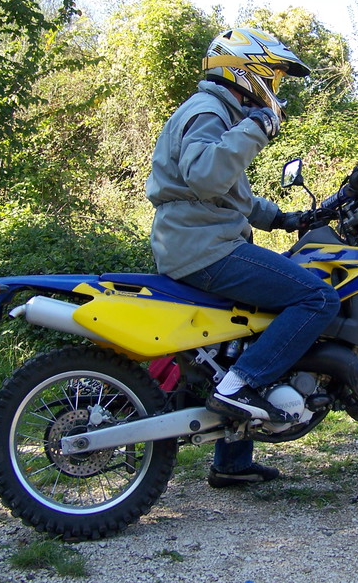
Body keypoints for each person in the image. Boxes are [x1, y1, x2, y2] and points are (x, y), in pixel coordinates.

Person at [145, 28, 341, 488]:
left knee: (248, 334)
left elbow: (229, 195)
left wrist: (286, 219)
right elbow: (206, 176)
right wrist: (257, 126)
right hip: (205, 250)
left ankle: (232, 462)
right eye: (271, 77)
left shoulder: (217, 113)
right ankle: (238, 388)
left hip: (197, 243)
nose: (274, 89)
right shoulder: (209, 111)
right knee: (318, 298)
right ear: (244, 71)